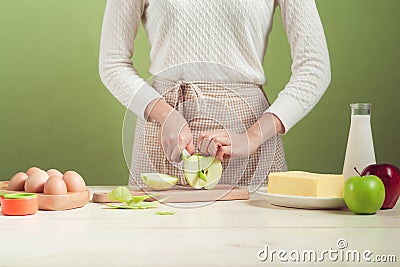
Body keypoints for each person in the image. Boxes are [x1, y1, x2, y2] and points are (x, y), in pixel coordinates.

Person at [99, 0, 331, 187]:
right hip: (164, 135)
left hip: (248, 138)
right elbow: (113, 63)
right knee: (155, 241)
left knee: (256, 239)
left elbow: (314, 67)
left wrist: (252, 137)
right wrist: (165, 115)